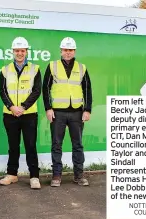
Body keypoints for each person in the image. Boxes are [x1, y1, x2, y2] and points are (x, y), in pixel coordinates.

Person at [42, 37, 92, 187]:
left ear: (74, 51)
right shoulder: (52, 66)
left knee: (78, 145)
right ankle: (56, 175)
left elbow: (87, 89)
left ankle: (79, 175)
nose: (68, 52)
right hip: (58, 113)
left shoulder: (82, 68)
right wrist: (48, 108)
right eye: (65, 50)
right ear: (61, 51)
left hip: (77, 112)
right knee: (56, 144)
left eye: (70, 50)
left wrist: (87, 109)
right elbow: (45, 89)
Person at [0, 37, 42, 189]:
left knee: (30, 145)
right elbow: (2, 91)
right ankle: (12, 174)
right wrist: (12, 107)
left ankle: (34, 176)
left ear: (26, 52)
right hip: (10, 115)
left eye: (22, 50)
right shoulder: (5, 70)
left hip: (29, 114)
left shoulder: (34, 69)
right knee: (13, 146)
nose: (19, 53)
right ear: (13, 52)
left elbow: (37, 91)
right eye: (17, 50)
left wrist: (23, 107)